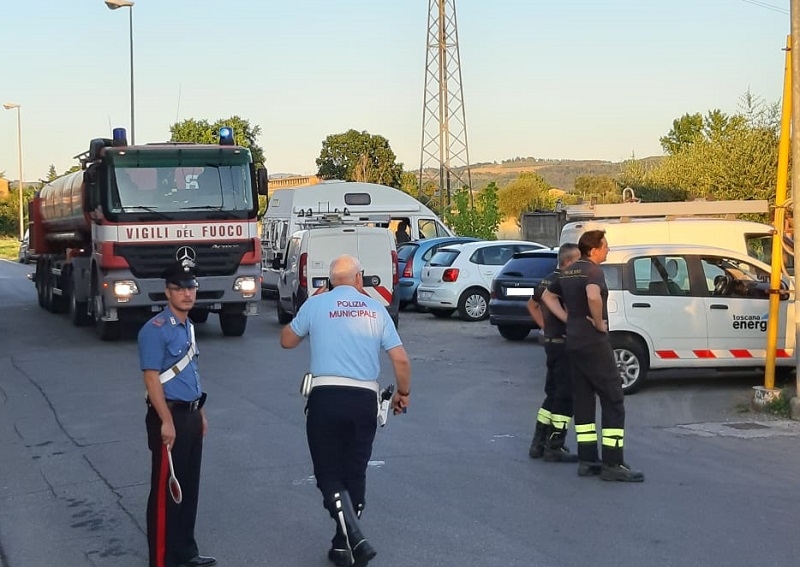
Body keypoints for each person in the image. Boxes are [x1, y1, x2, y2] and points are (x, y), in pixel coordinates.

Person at [280, 254, 411, 567]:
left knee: (328, 473)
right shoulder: (376, 309)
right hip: (364, 400)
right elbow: (401, 359)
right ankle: (344, 544)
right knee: (355, 470)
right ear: (359, 279)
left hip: (326, 397)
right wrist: (403, 393)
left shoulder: (316, 304)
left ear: (328, 281)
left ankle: (354, 539)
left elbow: (287, 341)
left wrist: (309, 306)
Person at [541, 230, 644, 482]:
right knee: (613, 398)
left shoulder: (569, 271)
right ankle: (613, 462)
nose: (608, 250)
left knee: (584, 399)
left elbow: (547, 296)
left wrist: (568, 319)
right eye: (605, 246)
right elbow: (592, 296)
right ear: (595, 249)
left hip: (573, 341)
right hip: (593, 341)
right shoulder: (593, 271)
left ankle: (587, 460)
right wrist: (598, 323)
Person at [138, 260, 217, 567]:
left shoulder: (188, 326)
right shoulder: (155, 330)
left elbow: (190, 371)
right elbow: (151, 378)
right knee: (165, 492)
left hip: (190, 415)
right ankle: (161, 560)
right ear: (167, 292)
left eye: (191, 288)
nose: (187, 294)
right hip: (168, 416)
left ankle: (185, 551)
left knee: (188, 487)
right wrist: (167, 421)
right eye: (180, 289)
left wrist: (201, 412)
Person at [526, 243, 581, 462]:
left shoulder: (545, 280)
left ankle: (538, 443)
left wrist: (545, 327)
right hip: (564, 342)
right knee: (565, 396)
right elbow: (570, 312)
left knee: (552, 393)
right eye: (578, 260)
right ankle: (555, 445)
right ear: (567, 262)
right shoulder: (566, 283)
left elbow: (531, 305)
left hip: (551, 342)